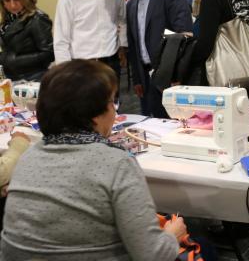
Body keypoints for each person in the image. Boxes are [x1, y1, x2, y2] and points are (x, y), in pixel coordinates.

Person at [1, 60, 184, 260]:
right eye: (111, 102)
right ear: (95, 116)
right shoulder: (116, 163)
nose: (115, 111)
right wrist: (173, 235)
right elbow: (153, 255)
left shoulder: (28, 158)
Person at [124, 0, 193, 118]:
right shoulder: (131, 4)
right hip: (145, 78)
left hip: (169, 77)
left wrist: (176, 75)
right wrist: (137, 79)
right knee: (150, 126)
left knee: (174, 125)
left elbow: (184, 37)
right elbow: (133, 44)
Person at [0, 0, 53, 81]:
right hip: (12, 78)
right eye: (7, 0)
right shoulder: (7, 21)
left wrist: (12, 60)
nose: (12, 5)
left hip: (34, 79)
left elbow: (49, 54)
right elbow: (10, 50)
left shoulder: (37, 18)